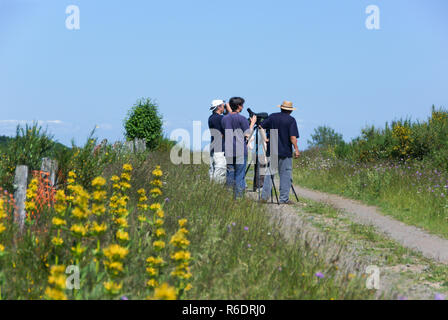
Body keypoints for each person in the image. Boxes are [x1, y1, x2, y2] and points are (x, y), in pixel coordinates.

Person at [259, 100, 300, 204]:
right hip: (285, 151)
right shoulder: (291, 120)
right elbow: (292, 137)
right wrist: (296, 149)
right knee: (285, 175)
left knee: (269, 174)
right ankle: (283, 199)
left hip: (272, 149)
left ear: (281, 108)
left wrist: (265, 139)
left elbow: (260, 126)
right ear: (290, 111)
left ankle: (264, 197)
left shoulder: (272, 117)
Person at [222, 97, 257, 198]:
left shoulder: (224, 119)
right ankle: (238, 198)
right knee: (240, 176)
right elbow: (247, 135)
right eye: (242, 105)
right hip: (240, 150)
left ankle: (228, 197)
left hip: (228, 150)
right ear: (238, 106)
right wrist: (252, 123)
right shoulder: (241, 119)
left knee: (229, 174)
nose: (242, 107)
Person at [208, 99, 231, 183]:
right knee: (220, 172)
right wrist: (229, 110)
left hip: (213, 148)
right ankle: (217, 190)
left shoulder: (211, 117)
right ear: (219, 107)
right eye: (223, 106)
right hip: (219, 149)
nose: (224, 108)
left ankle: (211, 190)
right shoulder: (219, 118)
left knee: (212, 171)